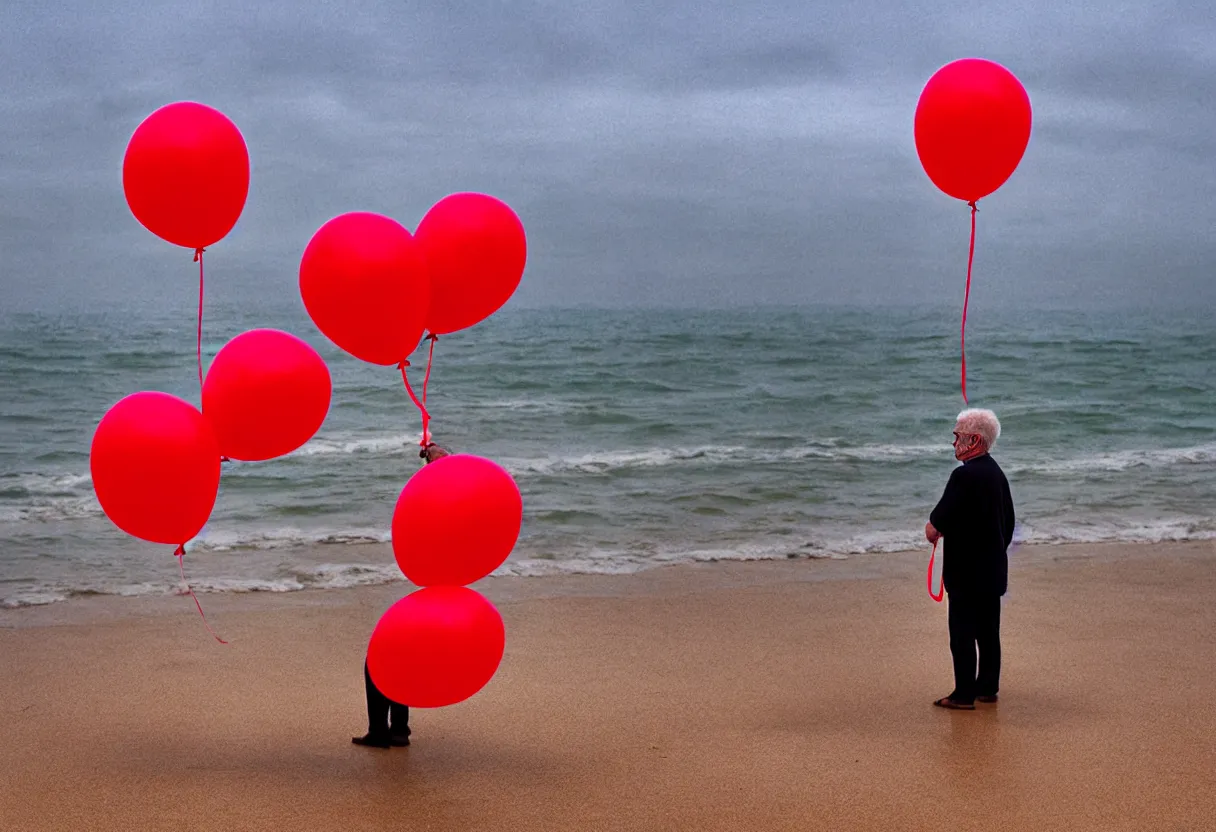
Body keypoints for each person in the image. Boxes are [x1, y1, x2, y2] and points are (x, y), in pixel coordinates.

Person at [352, 442, 451, 748]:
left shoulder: (436, 520)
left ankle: (384, 731)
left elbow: (447, 480)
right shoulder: (448, 526)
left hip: (426, 595)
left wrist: (436, 458)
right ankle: (398, 730)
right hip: (439, 596)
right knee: (400, 655)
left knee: (379, 660)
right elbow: (450, 486)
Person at [925, 409, 1015, 711]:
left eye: (957, 436)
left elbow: (937, 522)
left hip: (966, 574)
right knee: (988, 632)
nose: (953, 443)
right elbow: (1009, 523)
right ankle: (987, 687)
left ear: (974, 440)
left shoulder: (963, 476)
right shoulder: (996, 473)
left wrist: (933, 529)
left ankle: (963, 694)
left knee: (962, 633)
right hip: (992, 570)